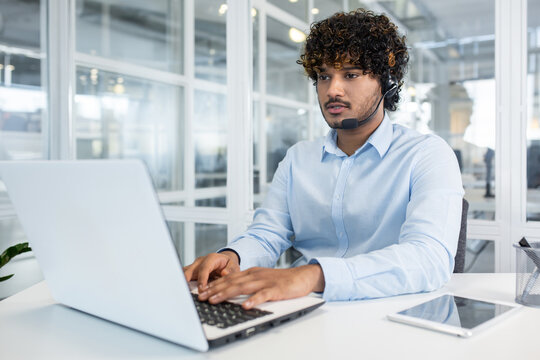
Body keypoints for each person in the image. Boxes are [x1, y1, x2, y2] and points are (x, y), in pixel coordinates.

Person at [184, 9, 464, 309]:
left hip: (390, 313)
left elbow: (429, 257)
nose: (333, 90)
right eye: (323, 76)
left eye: (351, 74)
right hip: (306, 310)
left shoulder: (427, 155)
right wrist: (232, 258)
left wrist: (314, 276)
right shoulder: (298, 159)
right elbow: (268, 233)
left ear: (387, 80)